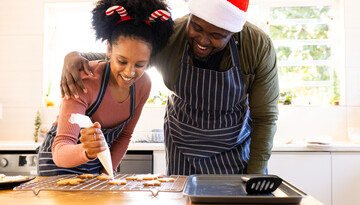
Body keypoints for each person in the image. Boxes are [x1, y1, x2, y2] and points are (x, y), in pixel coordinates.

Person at [60, 0, 279, 176]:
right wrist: (77, 57)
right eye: (197, 27)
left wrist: (255, 176)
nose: (202, 40)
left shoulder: (258, 46)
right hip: (183, 147)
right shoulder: (172, 36)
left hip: (233, 150)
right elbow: (128, 58)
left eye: (216, 35)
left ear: (233, 32)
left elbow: (265, 117)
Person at [37, 0, 174, 176]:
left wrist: (107, 173)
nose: (129, 72)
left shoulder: (143, 85)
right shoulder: (85, 79)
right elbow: (61, 149)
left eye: (140, 64)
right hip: (58, 166)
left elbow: (124, 137)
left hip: (96, 163)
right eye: (122, 61)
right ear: (109, 49)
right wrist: (87, 151)